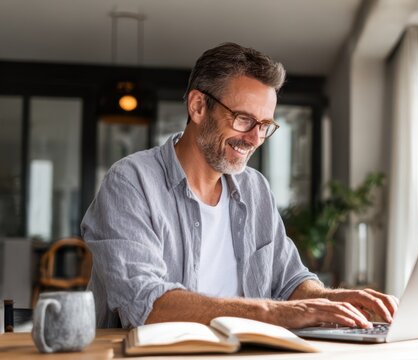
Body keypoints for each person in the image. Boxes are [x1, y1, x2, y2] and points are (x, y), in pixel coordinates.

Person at [82, 42, 397, 329]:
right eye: (244, 120)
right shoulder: (130, 182)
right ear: (198, 107)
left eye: (264, 126)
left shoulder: (254, 188)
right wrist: (273, 313)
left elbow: (290, 280)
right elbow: (146, 304)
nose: (255, 139)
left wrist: (332, 301)